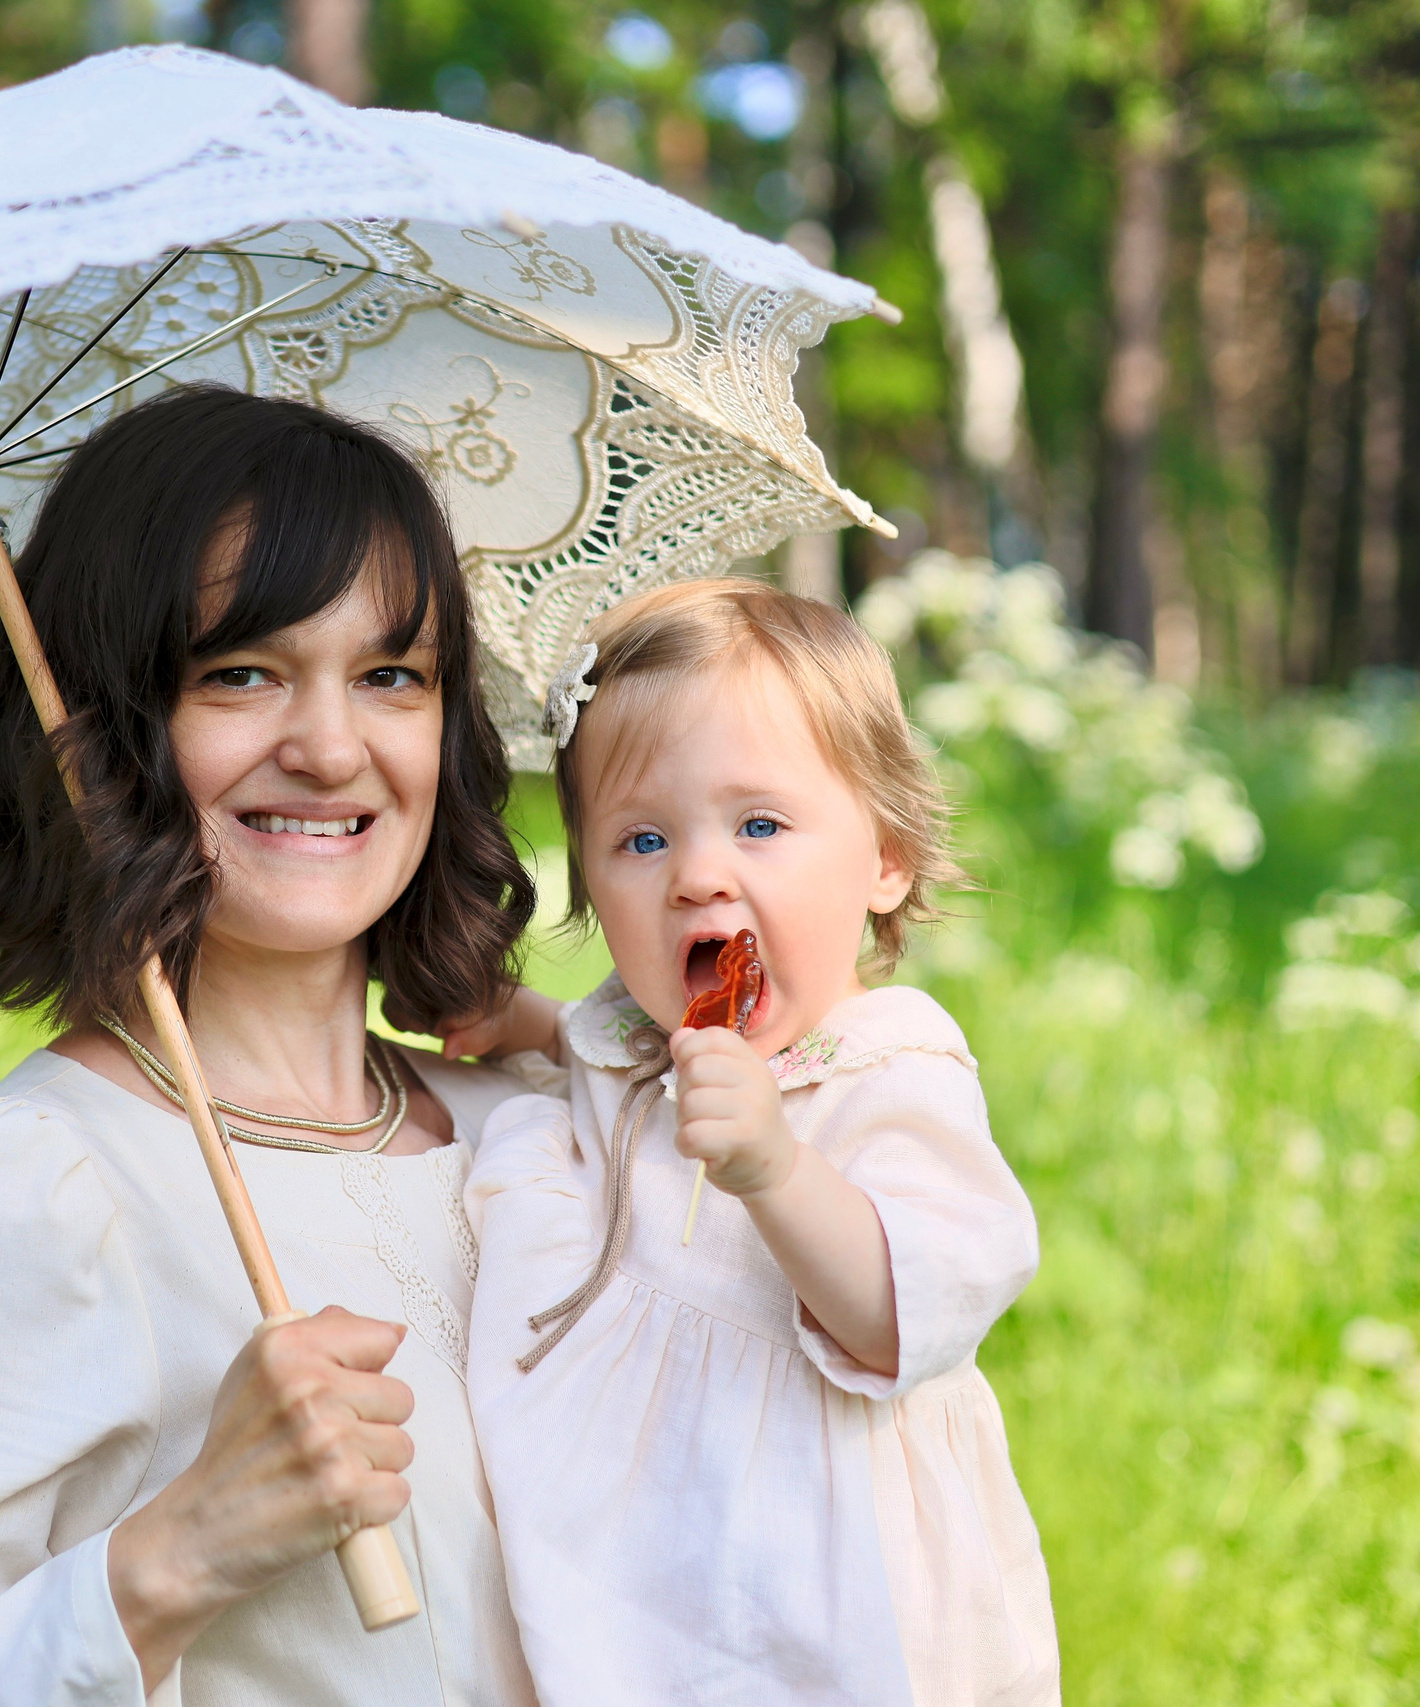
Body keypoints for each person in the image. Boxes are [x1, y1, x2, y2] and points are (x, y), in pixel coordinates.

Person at [0, 386, 541, 1706]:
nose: (331, 746)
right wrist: (186, 1546)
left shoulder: (528, 1126)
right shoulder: (27, 1191)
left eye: (390, 676)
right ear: (103, 735)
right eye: (241, 673)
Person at [445, 580, 1058, 1705]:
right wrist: (517, 1023)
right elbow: (595, 1066)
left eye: (760, 825)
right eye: (640, 838)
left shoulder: (891, 1069)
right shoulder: (641, 1035)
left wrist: (776, 1170)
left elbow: (902, 1313)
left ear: (885, 857)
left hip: (822, 1577)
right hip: (651, 1545)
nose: (697, 875)